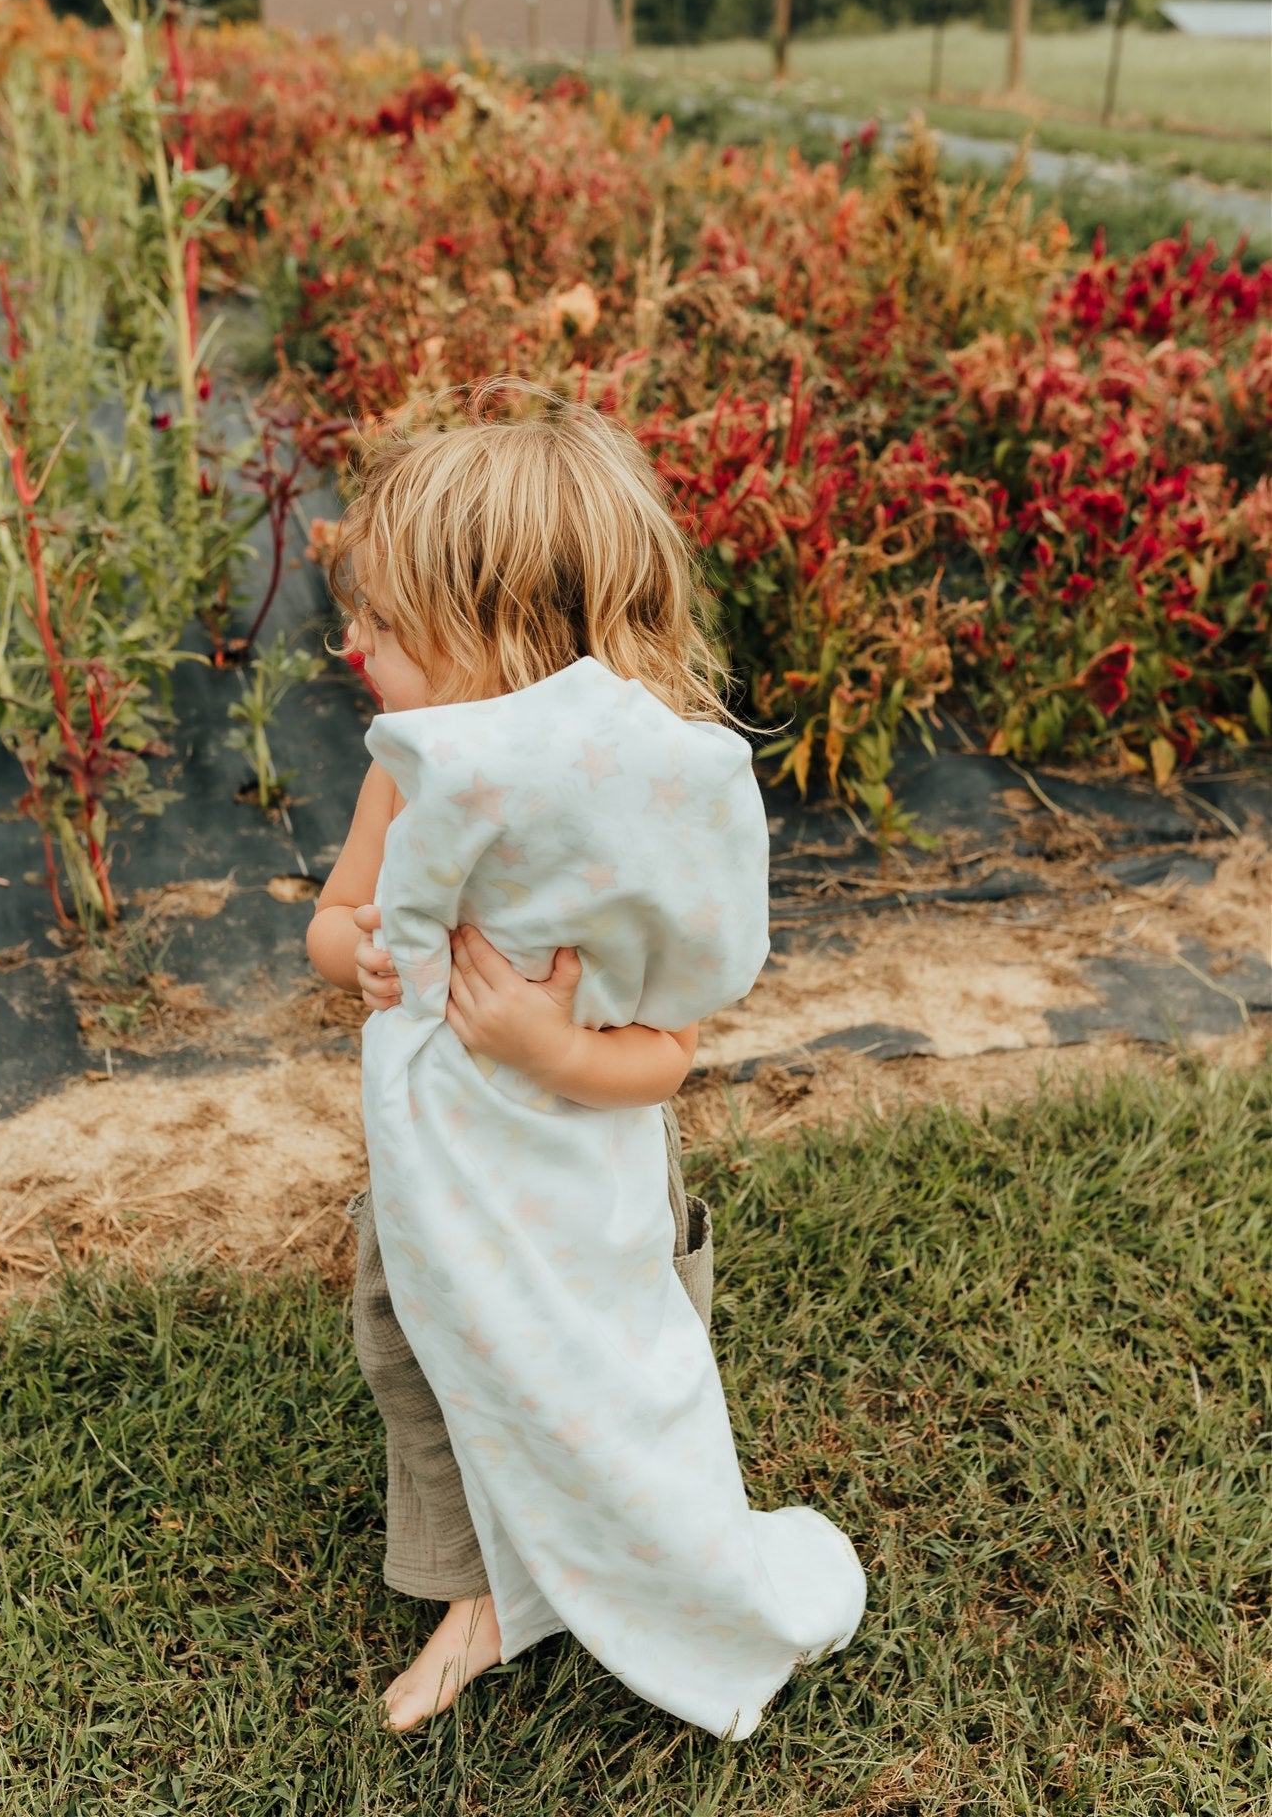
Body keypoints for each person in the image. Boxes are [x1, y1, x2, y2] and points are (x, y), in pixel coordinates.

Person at [306, 381, 866, 1742]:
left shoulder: (637, 813)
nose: (352, 643)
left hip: (585, 1185)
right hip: (435, 1174)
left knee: (612, 1377)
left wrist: (549, 1044)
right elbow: (333, 919)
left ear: (497, 631)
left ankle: (651, 1536)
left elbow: (665, 1057)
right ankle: (479, 1593)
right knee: (421, 1360)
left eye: (386, 624)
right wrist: (357, 957)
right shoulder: (407, 771)